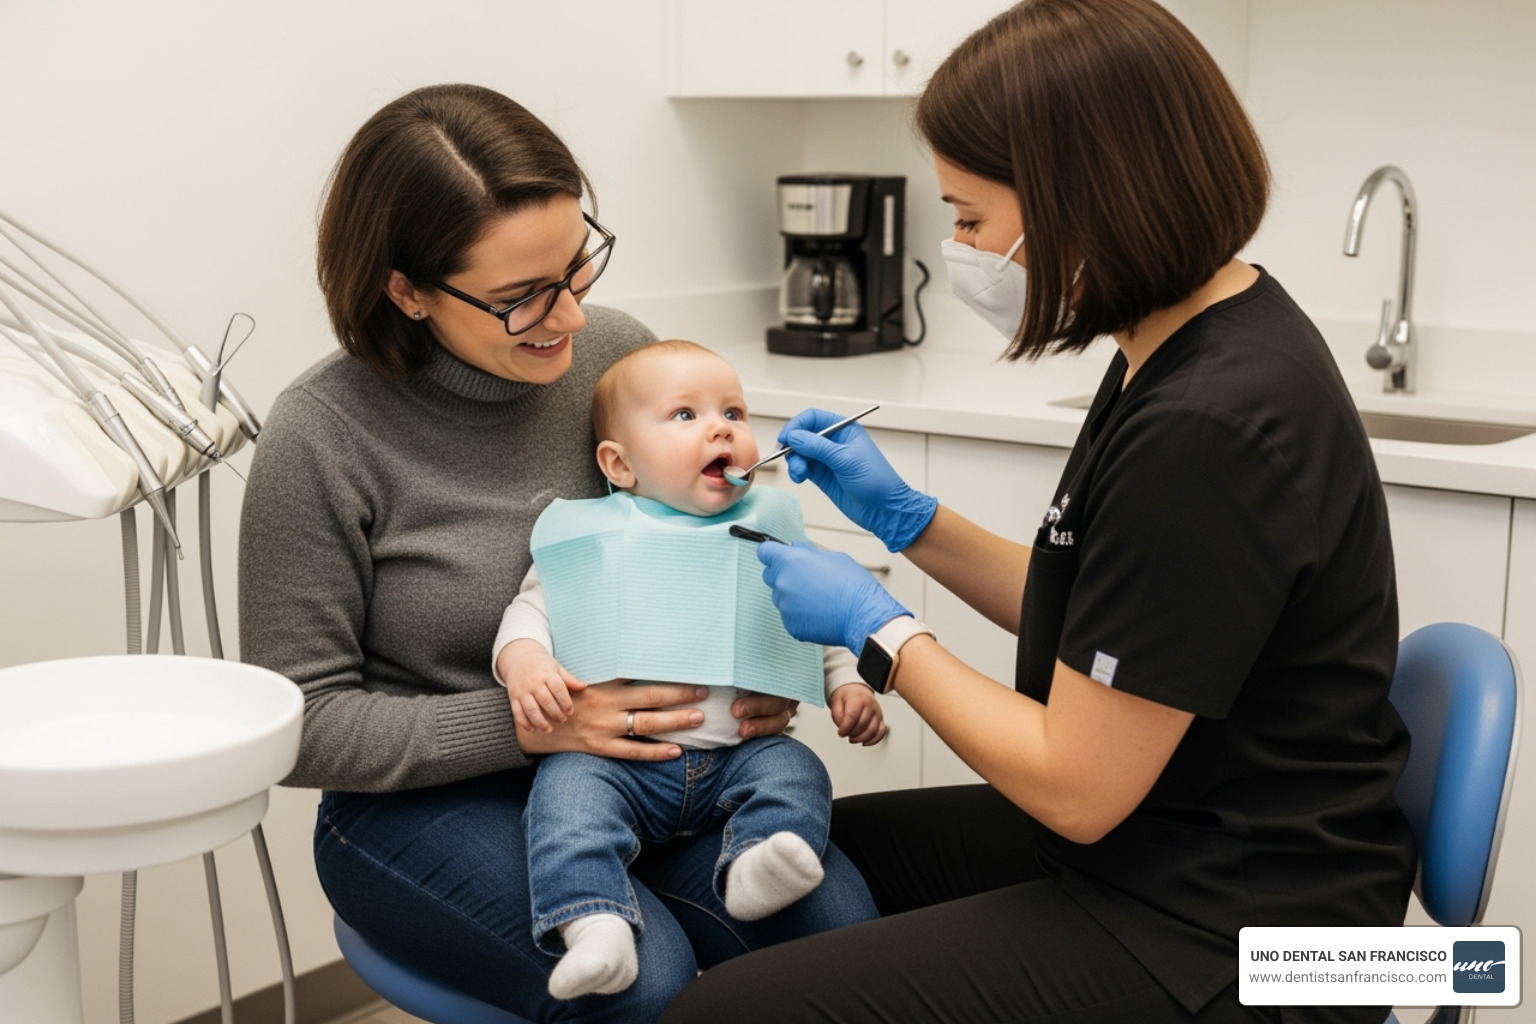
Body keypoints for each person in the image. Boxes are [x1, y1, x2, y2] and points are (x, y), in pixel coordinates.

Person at [661, 2, 1415, 1023]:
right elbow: (1117, 624)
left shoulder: (1211, 421)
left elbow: (1075, 784)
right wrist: (909, 521)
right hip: (1182, 837)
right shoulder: (1183, 338)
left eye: (971, 216)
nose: (959, 245)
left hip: (1255, 936)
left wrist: (877, 630)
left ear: (1085, 199)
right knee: (786, 868)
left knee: (720, 1012)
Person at [236, 83, 877, 1024]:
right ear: (405, 290)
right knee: (643, 983)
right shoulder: (320, 435)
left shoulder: (619, 357)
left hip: (658, 771)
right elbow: (302, 724)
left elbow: (714, 545)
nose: (571, 320)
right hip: (423, 805)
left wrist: (761, 666)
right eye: (520, 297)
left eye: (577, 269)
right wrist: (532, 725)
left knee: (841, 936)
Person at [491, 339, 886, 1000]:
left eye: (734, 410)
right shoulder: (593, 534)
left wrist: (845, 681)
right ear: (620, 464)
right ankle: (593, 922)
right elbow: (530, 610)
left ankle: (757, 864)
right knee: (566, 802)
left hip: (740, 757)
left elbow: (825, 617)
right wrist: (525, 661)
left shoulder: (773, 527)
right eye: (685, 415)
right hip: (618, 764)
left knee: (799, 773)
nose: (721, 426)